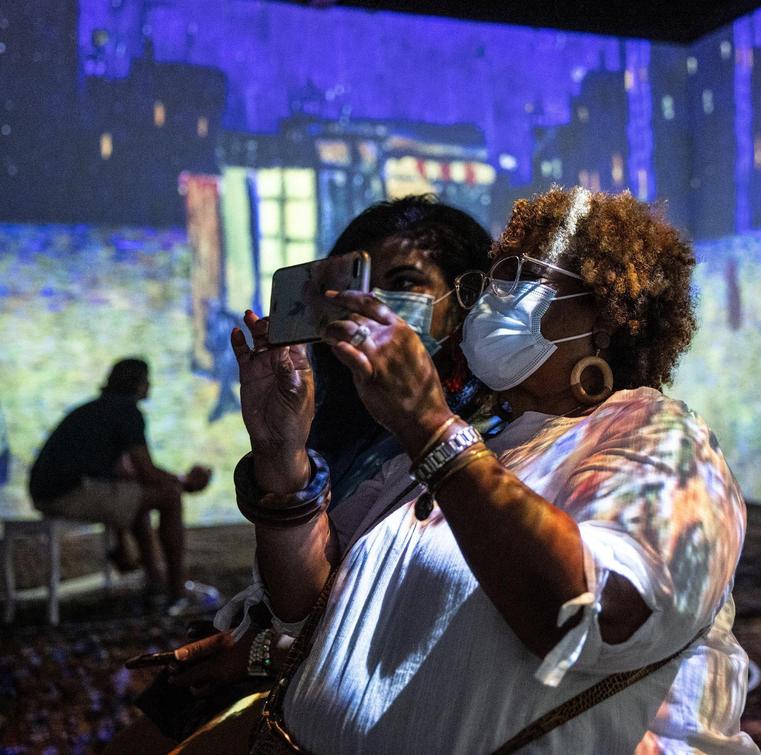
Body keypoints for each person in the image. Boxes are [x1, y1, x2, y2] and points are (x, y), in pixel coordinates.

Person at [219, 186, 756, 753]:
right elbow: (308, 611)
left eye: (521, 276)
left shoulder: (659, 435)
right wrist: (282, 455)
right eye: (488, 281)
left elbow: (592, 618)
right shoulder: (465, 445)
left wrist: (430, 426)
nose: (491, 299)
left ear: (604, 311)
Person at [106, 195, 498, 753]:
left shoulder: (487, 439)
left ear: (465, 301)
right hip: (284, 665)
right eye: (353, 285)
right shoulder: (348, 429)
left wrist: (262, 654)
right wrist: (280, 448)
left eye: (404, 281)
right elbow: (300, 600)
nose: (369, 304)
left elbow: (437, 638)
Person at [28, 358, 211, 612]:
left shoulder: (96, 409)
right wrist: (184, 482)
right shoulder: (127, 411)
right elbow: (146, 472)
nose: (151, 385)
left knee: (140, 499)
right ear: (137, 383)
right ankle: (176, 589)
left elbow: (131, 476)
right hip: (68, 493)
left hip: (48, 492)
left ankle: (155, 583)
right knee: (169, 496)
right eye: (148, 380)